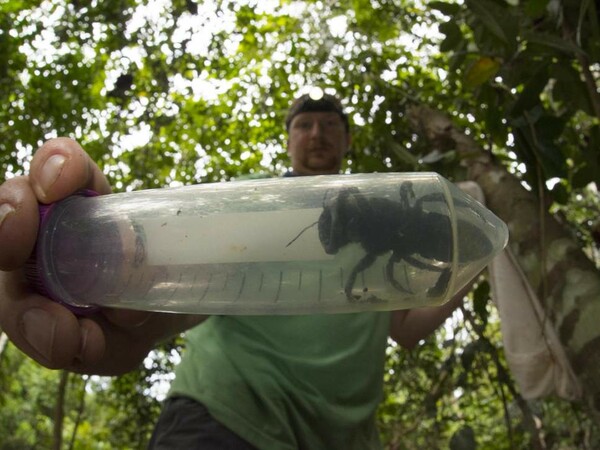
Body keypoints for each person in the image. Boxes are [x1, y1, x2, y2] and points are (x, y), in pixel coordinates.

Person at [0, 93, 467, 449]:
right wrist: (130, 303)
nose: (317, 134)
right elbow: (186, 282)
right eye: (304, 125)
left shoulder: (389, 208)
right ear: (288, 140)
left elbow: (406, 327)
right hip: (224, 418)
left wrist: (471, 264)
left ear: (347, 139)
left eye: (329, 125)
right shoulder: (253, 197)